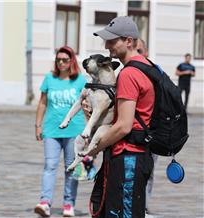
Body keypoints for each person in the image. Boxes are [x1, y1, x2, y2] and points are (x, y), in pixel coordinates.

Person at [86, 16, 154, 217]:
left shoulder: (129, 75)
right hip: (134, 156)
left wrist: (93, 150)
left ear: (129, 41)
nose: (107, 45)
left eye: (112, 40)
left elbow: (123, 126)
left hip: (128, 158)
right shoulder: (146, 66)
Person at [34, 46, 87, 217]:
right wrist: (38, 125)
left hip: (74, 131)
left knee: (71, 168)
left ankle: (68, 204)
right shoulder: (49, 78)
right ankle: (45, 202)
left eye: (65, 59)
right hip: (51, 130)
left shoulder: (80, 80)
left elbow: (87, 106)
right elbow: (42, 103)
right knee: (50, 166)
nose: (61, 63)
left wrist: (89, 131)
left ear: (72, 60)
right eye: (58, 60)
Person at [136, 38, 159, 215]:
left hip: (152, 133)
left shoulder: (156, 73)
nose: (137, 55)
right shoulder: (125, 72)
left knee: (148, 172)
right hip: (131, 133)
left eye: (140, 51)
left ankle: (143, 205)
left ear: (147, 53)